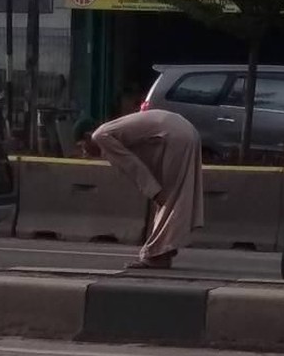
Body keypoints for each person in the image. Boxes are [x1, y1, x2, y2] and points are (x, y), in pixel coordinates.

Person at [85, 109, 204, 269]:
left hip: (175, 137)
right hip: (183, 131)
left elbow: (131, 165)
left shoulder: (100, 137)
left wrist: (152, 189)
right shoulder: (110, 130)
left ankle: (155, 255)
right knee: (173, 198)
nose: (84, 153)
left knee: (169, 199)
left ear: (87, 137)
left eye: (82, 147)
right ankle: (163, 251)